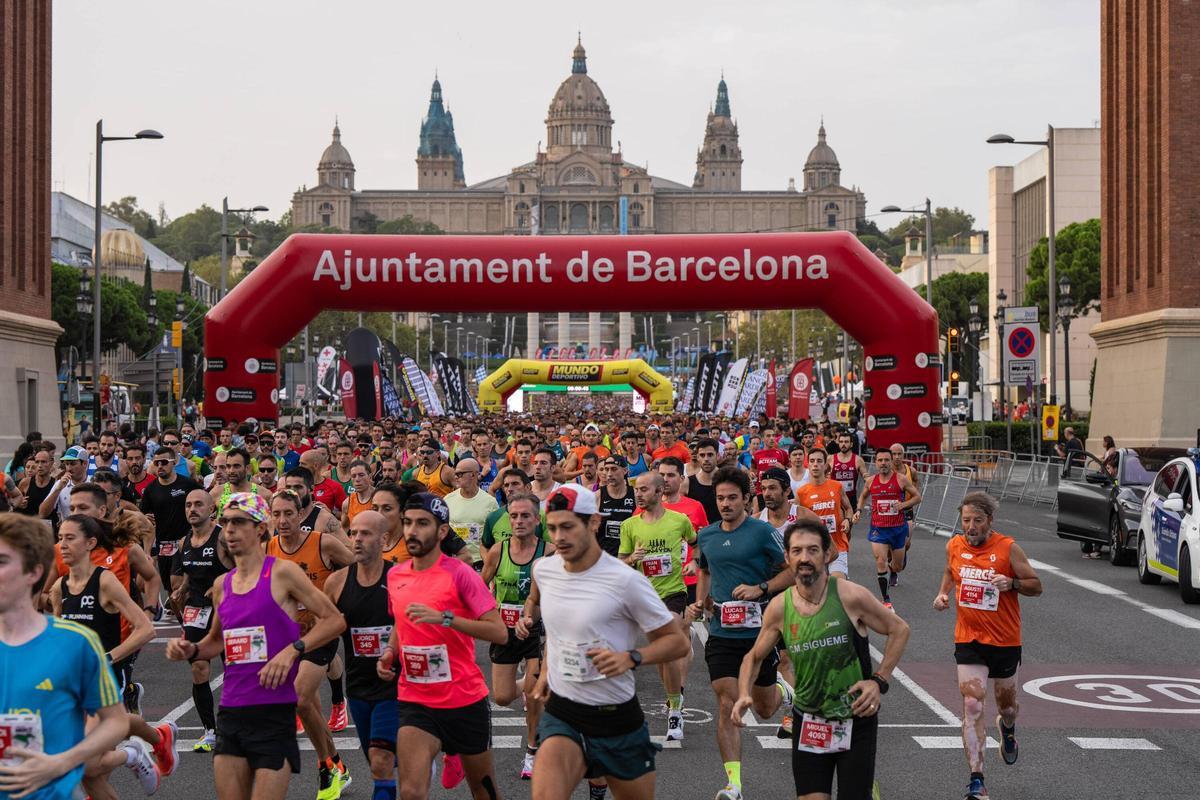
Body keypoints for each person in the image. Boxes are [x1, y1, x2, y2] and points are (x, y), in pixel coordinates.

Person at [166, 492, 346, 800]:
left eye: (239, 522)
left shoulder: (282, 572)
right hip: (232, 712)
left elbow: (334, 620)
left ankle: (332, 764)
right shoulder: (224, 584)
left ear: (260, 528)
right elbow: (215, 642)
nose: (230, 530)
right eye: (225, 522)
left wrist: (293, 650)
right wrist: (191, 650)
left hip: (274, 713)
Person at [529, 485, 690, 800]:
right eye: (552, 528)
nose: (558, 537)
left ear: (593, 523)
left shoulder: (625, 580)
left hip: (617, 719)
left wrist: (631, 657)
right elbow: (554, 626)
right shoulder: (544, 570)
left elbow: (677, 643)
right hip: (564, 712)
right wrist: (547, 670)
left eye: (568, 526)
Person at [732, 518, 910, 800]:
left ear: (827, 554)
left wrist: (878, 681)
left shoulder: (850, 596)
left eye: (813, 550)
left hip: (855, 717)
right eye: (797, 551)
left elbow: (899, 629)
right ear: (787, 557)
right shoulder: (779, 607)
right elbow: (753, 658)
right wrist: (743, 694)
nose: (805, 558)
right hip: (809, 719)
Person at [375, 492, 509, 800]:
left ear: (442, 531)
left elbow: (499, 633)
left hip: (464, 700)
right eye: (407, 523)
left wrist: (445, 619)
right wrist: (390, 651)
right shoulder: (395, 575)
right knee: (410, 792)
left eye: (422, 523)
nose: (412, 531)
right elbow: (401, 622)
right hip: (415, 700)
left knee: (483, 791)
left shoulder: (460, 574)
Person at [0, 513, 130, 800]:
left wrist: (64, 761)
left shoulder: (76, 643)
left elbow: (117, 721)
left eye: (1, 562)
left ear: (33, 573)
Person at [687, 467, 795, 800]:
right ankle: (734, 784)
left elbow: (792, 570)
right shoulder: (706, 535)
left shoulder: (762, 532)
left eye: (733, 497)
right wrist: (699, 602)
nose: (726, 503)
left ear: (747, 499)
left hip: (759, 633)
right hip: (721, 632)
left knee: (763, 708)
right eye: (720, 498)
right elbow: (705, 570)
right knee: (727, 703)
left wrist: (761, 587)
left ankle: (783, 690)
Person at [50, 513, 173, 797]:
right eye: (60, 539)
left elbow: (144, 630)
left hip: (103, 681)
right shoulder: (60, 588)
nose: (63, 545)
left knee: (89, 766)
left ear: (91, 543)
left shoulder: (104, 582)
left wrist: (106, 658)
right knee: (90, 776)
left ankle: (133, 754)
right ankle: (140, 749)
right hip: (72, 684)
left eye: (70, 539)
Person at [934, 492, 1043, 800]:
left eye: (977, 521)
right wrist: (943, 594)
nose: (971, 527)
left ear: (989, 522)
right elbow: (949, 571)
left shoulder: (1008, 549)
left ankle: (1007, 728)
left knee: (1007, 707)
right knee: (971, 705)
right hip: (968, 638)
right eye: (966, 520)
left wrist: (1014, 584)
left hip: (1005, 641)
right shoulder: (954, 545)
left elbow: (1037, 585)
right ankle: (977, 780)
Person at [265, 490, 354, 797]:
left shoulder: (322, 542)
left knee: (300, 698)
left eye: (288, 513)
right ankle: (336, 764)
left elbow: (358, 569)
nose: (282, 520)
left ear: (300, 515)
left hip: (322, 630)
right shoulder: (270, 547)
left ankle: (326, 769)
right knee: (309, 708)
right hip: (288, 634)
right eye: (276, 514)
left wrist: (335, 596)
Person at [325, 511, 400, 800]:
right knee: (378, 759)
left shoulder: (398, 578)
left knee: (380, 758)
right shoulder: (337, 582)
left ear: (384, 539)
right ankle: (413, 751)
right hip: (357, 686)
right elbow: (327, 630)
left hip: (395, 684)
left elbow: (412, 625)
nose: (357, 539)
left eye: (365, 533)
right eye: (354, 533)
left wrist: (393, 650)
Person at [481, 492, 554, 780]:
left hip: (537, 629)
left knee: (536, 695)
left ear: (537, 520)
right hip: (504, 629)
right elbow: (479, 585)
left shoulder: (548, 553)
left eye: (525, 516)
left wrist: (531, 616)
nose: (519, 521)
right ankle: (527, 682)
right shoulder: (499, 550)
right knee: (500, 697)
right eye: (514, 516)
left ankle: (532, 750)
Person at [620, 473, 697, 743]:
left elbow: (696, 545)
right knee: (663, 656)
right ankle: (673, 697)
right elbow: (621, 563)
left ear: (659, 490)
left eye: (644, 490)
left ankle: (675, 711)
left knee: (670, 641)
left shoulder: (679, 521)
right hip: (645, 597)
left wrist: (694, 563)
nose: (638, 494)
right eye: (636, 490)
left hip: (673, 592)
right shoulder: (629, 525)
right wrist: (632, 558)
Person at [169, 489, 233, 752]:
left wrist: (220, 587)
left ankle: (233, 726)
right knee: (198, 670)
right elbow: (189, 574)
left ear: (212, 511)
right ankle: (210, 731)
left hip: (227, 611)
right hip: (197, 610)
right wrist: (182, 590)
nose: (192, 509)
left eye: (198, 504)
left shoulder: (223, 539)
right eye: (188, 505)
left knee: (234, 672)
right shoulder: (184, 543)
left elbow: (244, 568)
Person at [855, 449, 921, 610]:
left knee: (897, 566)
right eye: (880, 460)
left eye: (886, 460)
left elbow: (917, 496)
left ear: (891, 462)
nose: (883, 463)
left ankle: (897, 564)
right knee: (880, 561)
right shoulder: (871, 481)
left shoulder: (901, 479)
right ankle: (886, 600)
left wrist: (903, 505)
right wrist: (858, 510)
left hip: (898, 528)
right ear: (875, 463)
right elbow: (863, 496)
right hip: (879, 528)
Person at [140, 445, 203, 592]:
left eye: (164, 462)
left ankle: (188, 611)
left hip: (186, 543)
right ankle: (177, 612)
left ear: (173, 462)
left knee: (182, 584)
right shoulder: (151, 490)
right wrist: (144, 517)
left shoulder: (187, 484)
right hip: (164, 545)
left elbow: (204, 501)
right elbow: (144, 517)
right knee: (169, 586)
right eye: (157, 463)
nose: (160, 466)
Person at [795, 450, 855, 580]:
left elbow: (849, 508)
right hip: (814, 549)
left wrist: (847, 520)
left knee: (836, 582)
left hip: (838, 546)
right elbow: (797, 522)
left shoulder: (837, 486)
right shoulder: (801, 493)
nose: (815, 464)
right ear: (808, 465)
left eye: (819, 461)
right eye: (812, 461)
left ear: (825, 465)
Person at [445, 458, 499, 566]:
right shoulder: (447, 500)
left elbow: (496, 535)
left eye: (460, 474)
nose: (456, 477)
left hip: (479, 562)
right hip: (456, 561)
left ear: (473, 475)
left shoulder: (490, 502)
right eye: (455, 473)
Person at [687, 438, 722, 525]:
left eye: (710, 455)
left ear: (717, 456)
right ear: (698, 457)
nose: (706, 459)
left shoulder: (729, 480)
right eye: (702, 455)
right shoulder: (687, 483)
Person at [830, 433, 868, 512]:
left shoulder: (858, 460)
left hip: (851, 499)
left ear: (851, 444)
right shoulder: (830, 459)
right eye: (841, 442)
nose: (843, 444)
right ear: (838, 443)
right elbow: (821, 476)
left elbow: (867, 479)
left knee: (848, 523)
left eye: (846, 442)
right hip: (834, 498)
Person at [340, 459, 376, 531]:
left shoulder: (379, 499)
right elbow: (344, 528)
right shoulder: (347, 503)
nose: (357, 479)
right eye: (353, 476)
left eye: (361, 475)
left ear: (370, 476)